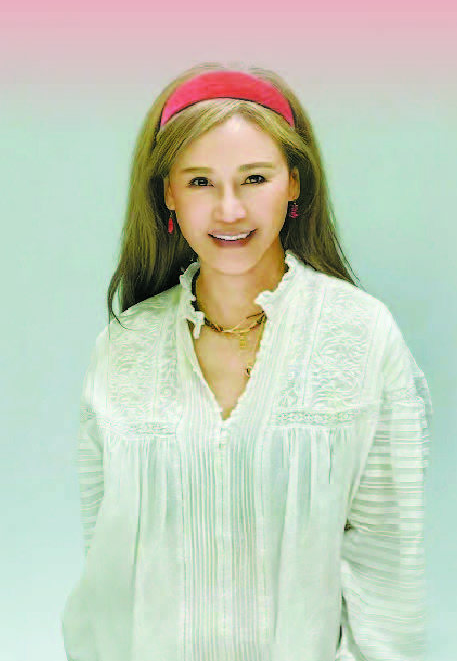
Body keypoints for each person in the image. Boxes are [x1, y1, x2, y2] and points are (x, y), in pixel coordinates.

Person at [61, 62, 433, 661]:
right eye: (201, 182)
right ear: (168, 194)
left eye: (254, 178)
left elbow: (387, 568)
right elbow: (106, 577)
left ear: (294, 183)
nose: (230, 210)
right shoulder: (124, 346)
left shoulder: (362, 336)